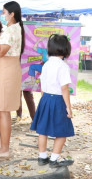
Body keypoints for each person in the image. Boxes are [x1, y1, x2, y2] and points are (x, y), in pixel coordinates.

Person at [0, 1, 25, 158]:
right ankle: (2, 144)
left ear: (11, 14)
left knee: (4, 110)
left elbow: (0, 51)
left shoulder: (13, 30)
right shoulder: (12, 29)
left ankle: (5, 149)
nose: (2, 15)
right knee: (1, 110)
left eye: (4, 12)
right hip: (4, 71)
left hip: (7, 72)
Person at [30, 34, 74, 168]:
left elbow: (42, 85)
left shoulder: (47, 64)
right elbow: (65, 88)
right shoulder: (63, 66)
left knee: (42, 130)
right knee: (62, 131)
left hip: (45, 99)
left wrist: (43, 100)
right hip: (58, 101)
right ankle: (55, 159)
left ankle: (42, 157)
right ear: (66, 49)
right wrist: (69, 107)